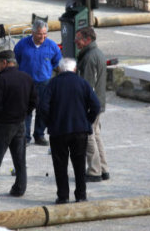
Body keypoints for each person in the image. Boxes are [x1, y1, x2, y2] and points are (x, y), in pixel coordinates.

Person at [40, 57, 100, 204]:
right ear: (74, 69)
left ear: (60, 69)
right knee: (79, 164)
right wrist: (87, 121)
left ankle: (63, 196)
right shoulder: (83, 83)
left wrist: (49, 123)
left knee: (60, 165)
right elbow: (96, 106)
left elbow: (43, 107)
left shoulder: (53, 83)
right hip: (80, 130)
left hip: (58, 130)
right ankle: (81, 195)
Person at [0, 50, 37, 198]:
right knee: (19, 160)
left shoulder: (1, 80)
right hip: (20, 123)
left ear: (4, 62)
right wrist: (24, 114)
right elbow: (34, 101)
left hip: (2, 125)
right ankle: (19, 188)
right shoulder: (26, 78)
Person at [14, 19, 62, 146]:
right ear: (33, 33)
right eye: (40, 34)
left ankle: (39, 135)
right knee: (26, 111)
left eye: (45, 34)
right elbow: (17, 58)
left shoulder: (52, 46)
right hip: (26, 83)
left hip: (44, 83)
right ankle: (25, 136)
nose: (43, 36)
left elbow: (57, 63)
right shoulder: (22, 44)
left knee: (43, 110)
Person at [75, 26, 109, 182]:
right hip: (99, 101)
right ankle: (103, 168)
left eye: (78, 39)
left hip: (91, 104)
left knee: (89, 136)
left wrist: (83, 106)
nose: (76, 42)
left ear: (87, 39)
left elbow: (87, 86)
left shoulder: (89, 58)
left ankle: (94, 171)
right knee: (96, 134)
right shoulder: (98, 54)